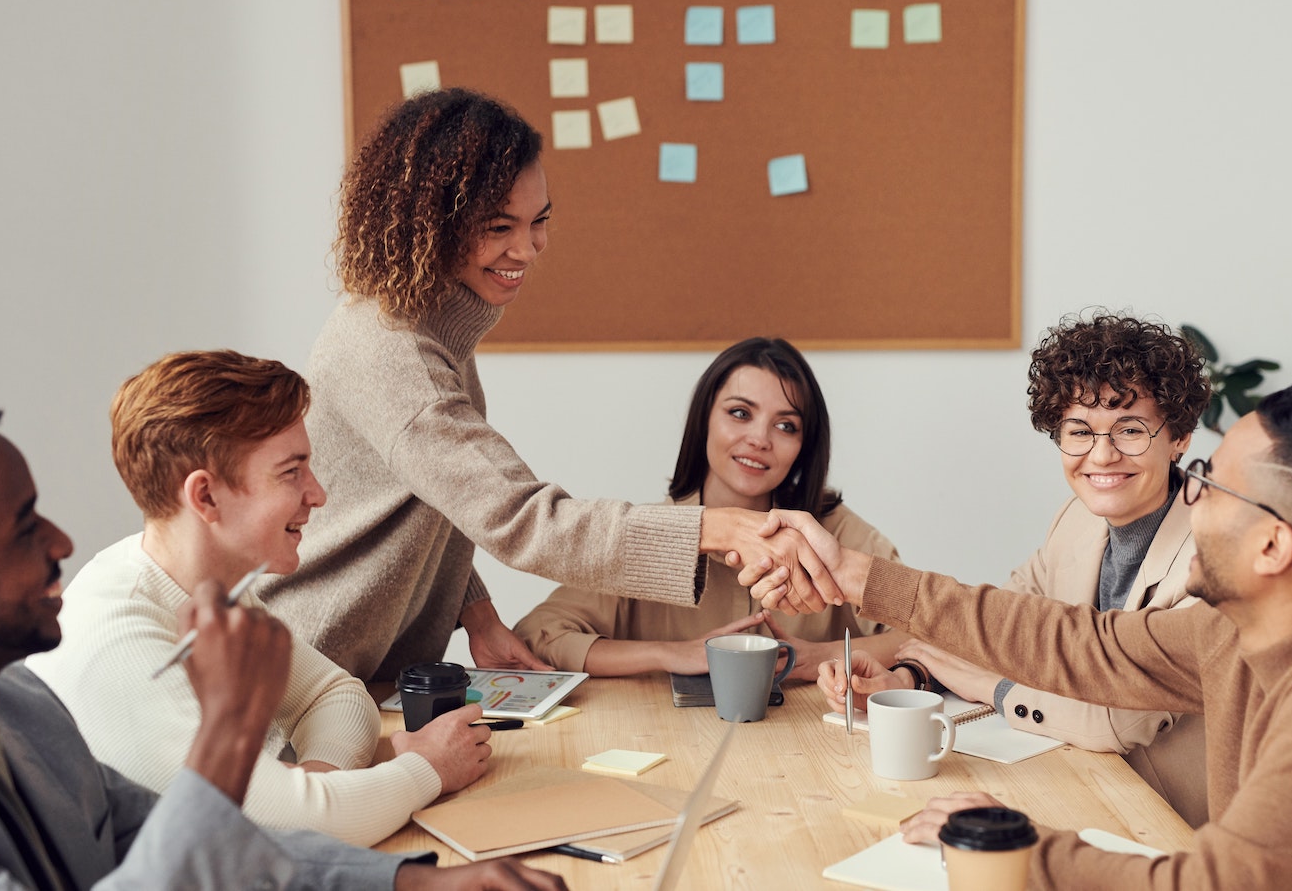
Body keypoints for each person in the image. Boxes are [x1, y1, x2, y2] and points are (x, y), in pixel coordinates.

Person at [755, 383, 1292, 889]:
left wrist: (1023, 847)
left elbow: (1213, 884)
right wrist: (861, 576)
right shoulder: (1240, 628)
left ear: (1272, 546)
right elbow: (1080, 645)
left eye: (1206, 480)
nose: (1187, 494)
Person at [258, 88, 839, 682]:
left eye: (539, 221)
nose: (527, 248)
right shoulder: (395, 353)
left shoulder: (428, 327)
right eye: (498, 226)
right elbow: (523, 518)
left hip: (363, 674)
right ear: (430, 226)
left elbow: (438, 499)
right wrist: (711, 528)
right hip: (307, 673)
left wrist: (477, 614)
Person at [0, 389, 567, 890]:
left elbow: (203, 836)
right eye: (24, 528)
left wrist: (416, 881)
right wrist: (230, 731)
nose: (62, 542)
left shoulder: (18, 702)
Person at [27, 351, 490, 846]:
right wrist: (426, 768)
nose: (318, 495)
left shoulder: (207, 585)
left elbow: (337, 695)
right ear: (204, 497)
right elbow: (282, 831)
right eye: (291, 472)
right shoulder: (120, 640)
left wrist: (316, 788)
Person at [819, 312, 1212, 824]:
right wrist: (909, 677)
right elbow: (999, 626)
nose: (1102, 454)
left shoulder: (1211, 555)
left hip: (1176, 823)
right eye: (1079, 431)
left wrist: (991, 688)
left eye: (1130, 429)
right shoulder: (1076, 519)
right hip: (1084, 788)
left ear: (1178, 436)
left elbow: (1118, 721)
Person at [514, 337, 903, 679]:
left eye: (786, 426)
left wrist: (825, 655)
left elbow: (931, 636)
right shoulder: (650, 536)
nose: (759, 439)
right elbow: (538, 635)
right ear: (704, 420)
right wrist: (671, 653)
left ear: (805, 447)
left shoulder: (837, 534)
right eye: (740, 413)